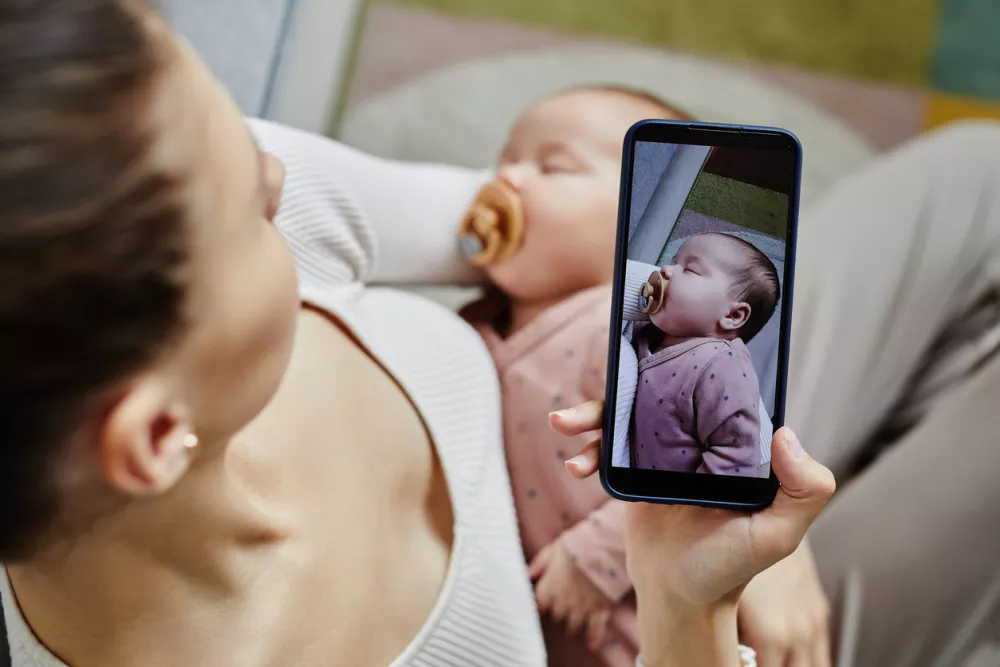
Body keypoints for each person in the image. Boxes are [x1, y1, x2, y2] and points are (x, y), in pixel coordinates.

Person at [0, 3, 832, 667]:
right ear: (151, 435)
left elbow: (526, 218)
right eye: (252, 208)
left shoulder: (173, 179)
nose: (282, 176)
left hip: (710, 514)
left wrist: (739, 493)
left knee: (969, 190)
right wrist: (692, 616)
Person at [459, 85, 689, 667]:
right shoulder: (471, 327)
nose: (507, 177)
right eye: (505, 159)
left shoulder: (633, 326)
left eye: (551, 166)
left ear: (647, 219)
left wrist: (599, 555)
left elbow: (701, 463)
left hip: (654, 631)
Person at [629, 233, 778, 477]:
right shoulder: (651, 334)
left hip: (681, 505)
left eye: (690, 270)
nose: (666, 270)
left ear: (732, 316)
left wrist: (694, 507)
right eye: (674, 261)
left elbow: (734, 453)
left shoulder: (722, 365)